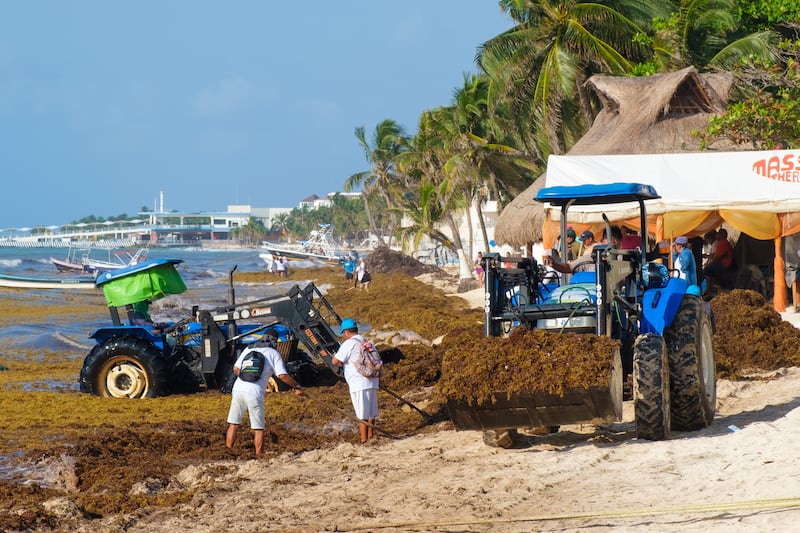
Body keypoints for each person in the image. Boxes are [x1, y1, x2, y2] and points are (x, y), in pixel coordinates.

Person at [226, 336, 303, 455]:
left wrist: (247, 377)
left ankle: (228, 451)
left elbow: (236, 369)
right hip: (254, 392)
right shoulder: (273, 353)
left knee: (234, 424)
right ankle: (259, 455)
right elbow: (282, 375)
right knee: (258, 428)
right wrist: (296, 386)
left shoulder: (248, 349)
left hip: (237, 389)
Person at [331, 318, 379, 444]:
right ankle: (371, 437)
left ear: (346, 332)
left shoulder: (348, 344)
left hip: (358, 383)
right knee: (371, 413)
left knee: (361, 413)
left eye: (343, 333)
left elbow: (335, 361)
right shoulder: (367, 342)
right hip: (373, 380)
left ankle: (363, 440)